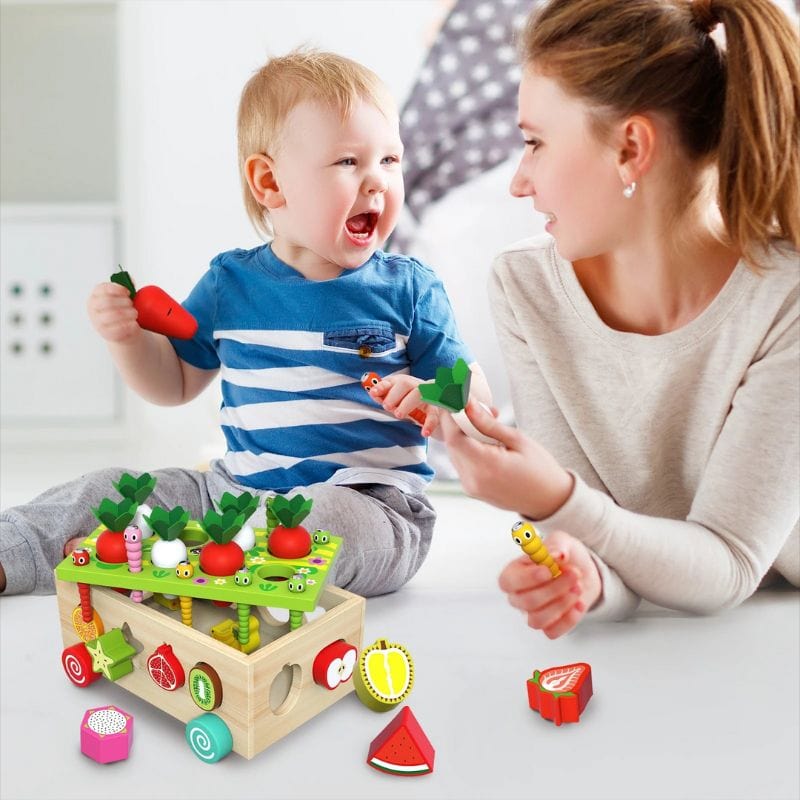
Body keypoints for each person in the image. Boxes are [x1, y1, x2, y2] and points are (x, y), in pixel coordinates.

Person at [0, 49, 490, 596]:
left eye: (391, 160)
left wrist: (434, 394)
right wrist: (128, 340)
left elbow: (476, 397)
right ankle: (13, 553)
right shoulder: (229, 284)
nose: (377, 182)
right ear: (269, 183)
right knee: (112, 489)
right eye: (349, 162)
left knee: (327, 521)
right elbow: (174, 383)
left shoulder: (409, 288)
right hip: (232, 500)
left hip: (370, 506)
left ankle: (198, 566)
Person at [439, 0, 799, 638]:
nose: (518, 183)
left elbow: (731, 560)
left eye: (534, 144)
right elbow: (594, 538)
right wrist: (588, 580)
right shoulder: (526, 289)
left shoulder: (783, 301)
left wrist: (555, 500)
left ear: (631, 148)